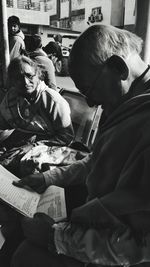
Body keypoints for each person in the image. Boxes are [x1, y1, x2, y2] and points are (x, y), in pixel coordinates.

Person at [10, 24, 150, 267]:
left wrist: (56, 238)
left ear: (118, 68)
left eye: (90, 90)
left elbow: (142, 246)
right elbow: (96, 161)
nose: (91, 102)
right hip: (97, 223)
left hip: (114, 253)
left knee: (24, 257)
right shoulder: (127, 105)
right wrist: (47, 178)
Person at [0, 55, 74, 147]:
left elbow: (66, 137)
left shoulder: (52, 100)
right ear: (13, 80)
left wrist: (33, 146)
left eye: (29, 76)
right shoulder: (10, 98)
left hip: (46, 152)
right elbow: (3, 126)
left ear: (38, 75)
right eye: (19, 78)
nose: (26, 82)